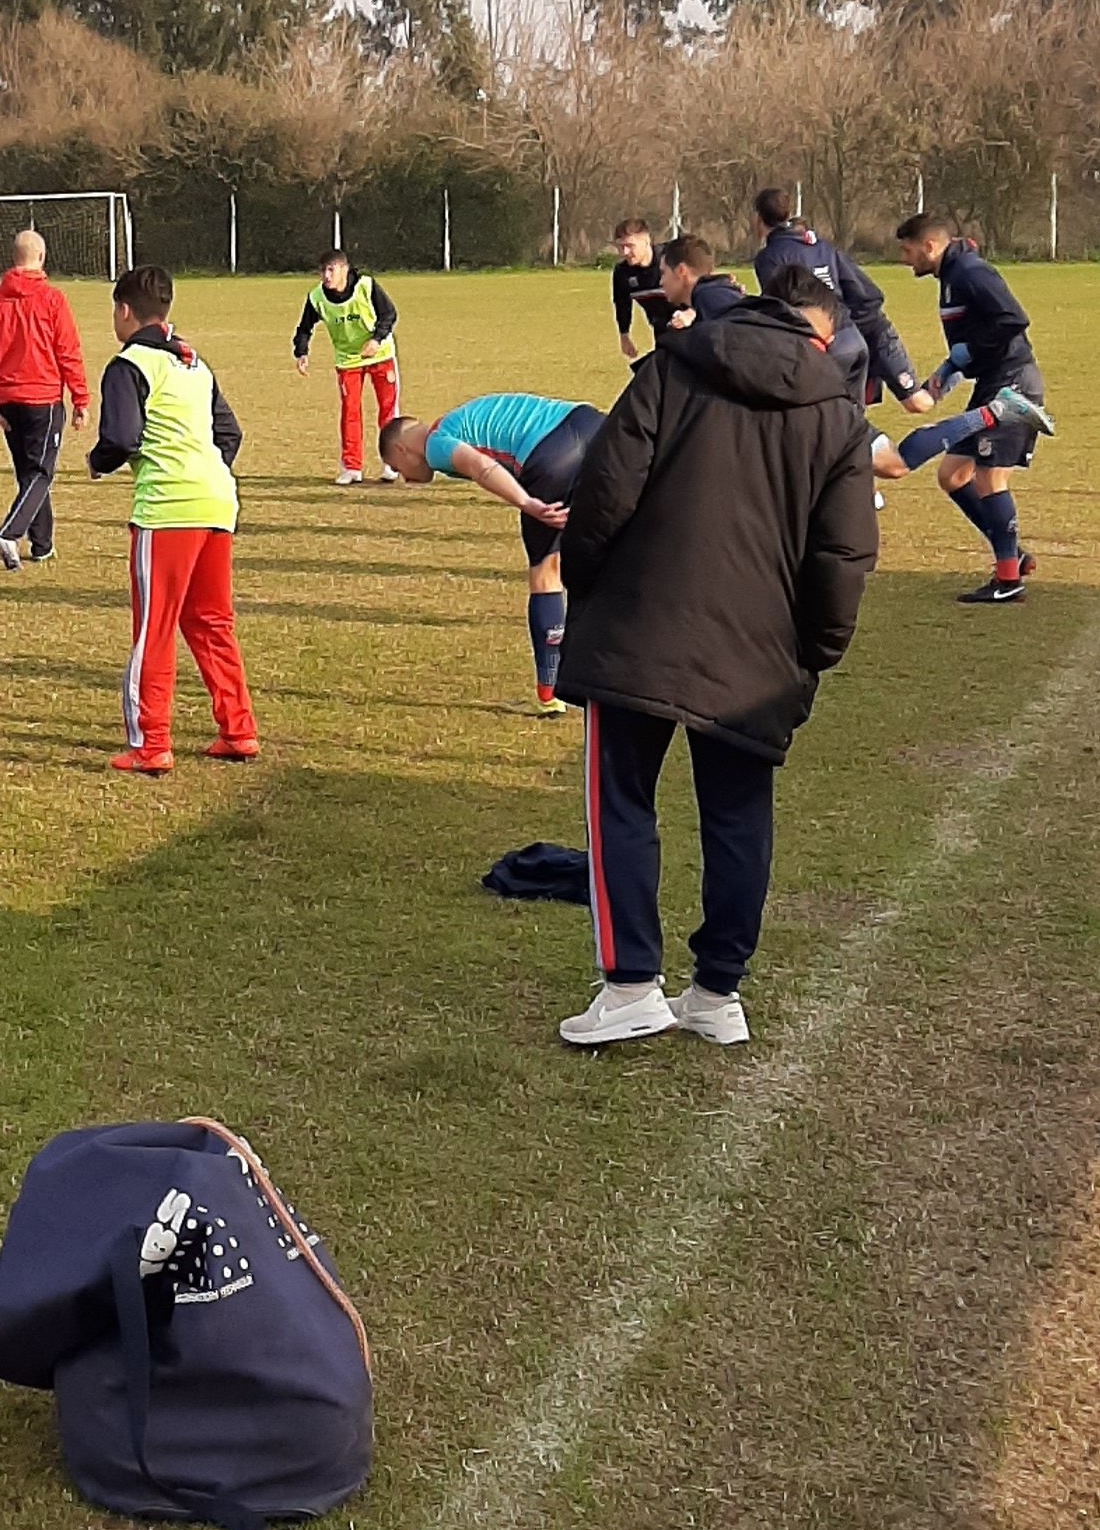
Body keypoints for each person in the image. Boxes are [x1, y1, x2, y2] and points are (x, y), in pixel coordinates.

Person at [554, 268, 876, 1048]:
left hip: (639, 625)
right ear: (822, 337)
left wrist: (584, 580)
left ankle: (631, 982)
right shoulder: (837, 415)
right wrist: (813, 652)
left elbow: (603, 489)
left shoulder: (670, 364)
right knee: (737, 816)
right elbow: (842, 555)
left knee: (619, 799)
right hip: (755, 652)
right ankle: (716, 990)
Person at [89, 265, 258, 775]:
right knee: (212, 624)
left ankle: (151, 743)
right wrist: (203, 473)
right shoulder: (192, 363)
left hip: (167, 511)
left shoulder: (129, 364)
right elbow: (229, 434)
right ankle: (238, 730)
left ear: (123, 311)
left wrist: (98, 463)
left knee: (155, 629)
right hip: (217, 504)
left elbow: (121, 437)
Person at [377, 393, 605, 717]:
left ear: (401, 449)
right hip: (591, 423)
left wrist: (527, 503)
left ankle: (549, 692)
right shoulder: (458, 419)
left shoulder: (436, 443)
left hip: (550, 455)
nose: (404, 478)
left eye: (397, 468)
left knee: (545, 572)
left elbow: (480, 467)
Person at [897, 213, 1050, 603]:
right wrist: (950, 369)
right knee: (952, 475)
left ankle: (1007, 579)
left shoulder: (968, 271)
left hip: (1012, 385)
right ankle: (1010, 551)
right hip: (991, 382)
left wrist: (969, 351)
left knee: (989, 479)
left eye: (907, 250)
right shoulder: (951, 274)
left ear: (930, 246)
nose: (904, 259)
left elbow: (1013, 319)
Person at [0, 229, 88, 571]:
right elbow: (68, 351)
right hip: (43, 399)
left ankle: (42, 544)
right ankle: (9, 533)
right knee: (40, 473)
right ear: (42, 259)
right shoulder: (52, 300)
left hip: (8, 401)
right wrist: (80, 398)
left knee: (29, 474)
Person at [751, 187, 930, 412]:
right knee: (852, 426)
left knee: (819, 424)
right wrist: (851, 327)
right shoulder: (823, 248)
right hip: (853, 342)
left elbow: (780, 310)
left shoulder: (769, 258)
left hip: (821, 348)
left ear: (757, 218)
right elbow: (867, 296)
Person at [291, 248, 399, 485]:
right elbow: (304, 328)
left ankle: (392, 461)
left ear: (344, 270)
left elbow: (389, 314)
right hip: (347, 360)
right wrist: (301, 352)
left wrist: (376, 339)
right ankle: (352, 467)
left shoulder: (366, 286)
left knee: (387, 411)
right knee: (350, 412)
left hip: (380, 355)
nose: (326, 276)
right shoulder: (317, 297)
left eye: (331, 270)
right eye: (323, 271)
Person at [610, 219, 666, 363]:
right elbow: (622, 304)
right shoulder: (622, 272)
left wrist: (690, 313)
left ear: (647, 241)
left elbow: (699, 282)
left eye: (630, 246)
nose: (625, 252)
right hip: (662, 329)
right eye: (621, 247)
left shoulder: (671, 258)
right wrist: (624, 335)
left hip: (696, 326)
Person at [654, 235, 743, 325]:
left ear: (681, 270)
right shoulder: (717, 295)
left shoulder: (709, 300)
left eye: (663, 273)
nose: (661, 282)